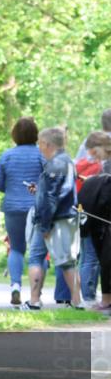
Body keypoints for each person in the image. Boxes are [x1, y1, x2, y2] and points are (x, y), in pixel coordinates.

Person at [25, 127, 83, 309]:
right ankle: (77, 302)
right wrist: (39, 190)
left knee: (37, 258)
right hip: (65, 218)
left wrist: (44, 225)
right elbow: (58, 192)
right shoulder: (67, 161)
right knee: (67, 262)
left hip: (52, 220)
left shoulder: (55, 164)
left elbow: (51, 198)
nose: (39, 147)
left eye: (40, 143)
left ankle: (34, 301)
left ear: (47, 144)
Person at [0, 117, 45, 306]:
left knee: (16, 248)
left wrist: (13, 188)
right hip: (37, 208)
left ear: (14, 135)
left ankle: (15, 286)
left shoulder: (6, 156)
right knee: (38, 251)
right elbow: (49, 181)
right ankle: (35, 294)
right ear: (36, 134)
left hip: (13, 208)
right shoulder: (41, 155)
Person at [78, 131, 111, 306]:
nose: (93, 156)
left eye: (95, 152)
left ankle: (104, 300)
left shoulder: (108, 165)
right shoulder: (104, 164)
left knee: (105, 258)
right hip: (102, 216)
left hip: (106, 217)